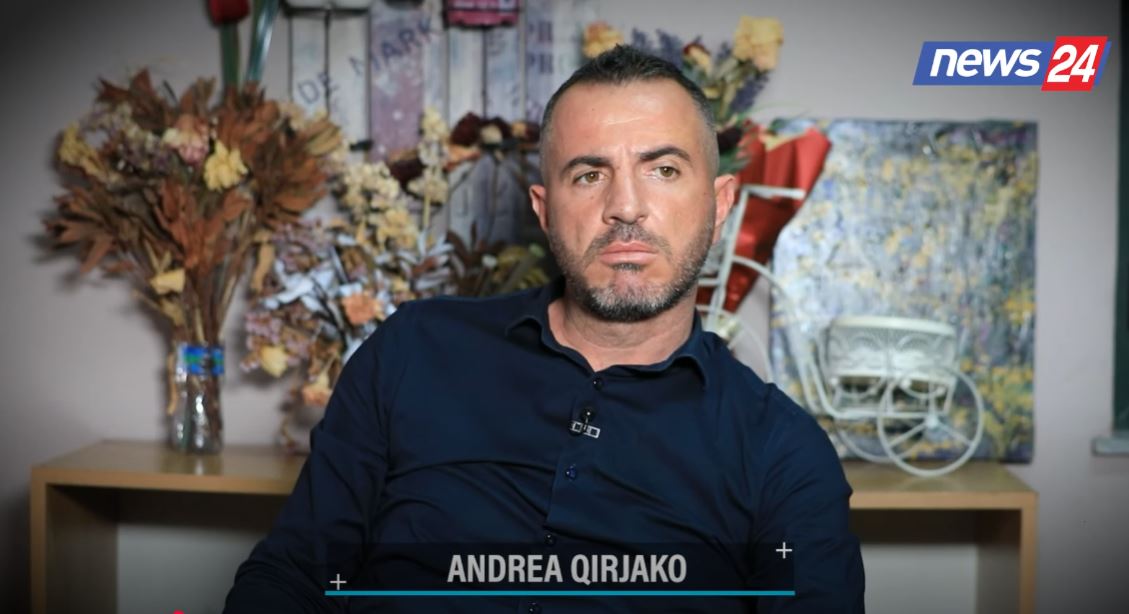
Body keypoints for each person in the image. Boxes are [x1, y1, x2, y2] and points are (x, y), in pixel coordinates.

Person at [224, 45, 864, 613]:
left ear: (720, 204)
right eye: (589, 175)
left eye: (663, 170)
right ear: (545, 210)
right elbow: (295, 576)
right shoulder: (413, 351)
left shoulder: (783, 455)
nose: (626, 207)